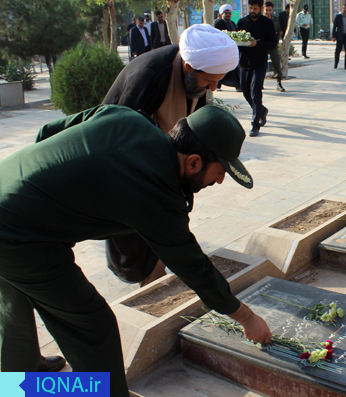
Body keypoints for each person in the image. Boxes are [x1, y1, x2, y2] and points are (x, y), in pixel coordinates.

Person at [0, 104, 272, 396]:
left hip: (6, 190)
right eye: (219, 172)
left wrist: (47, 189)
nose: (218, 181)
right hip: (17, 238)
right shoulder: (154, 189)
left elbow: (48, 132)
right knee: (93, 325)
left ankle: (16, 385)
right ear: (193, 162)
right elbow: (194, 267)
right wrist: (247, 317)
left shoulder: (127, 117)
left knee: (13, 305)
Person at [102, 24, 240, 285]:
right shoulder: (150, 76)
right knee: (138, 237)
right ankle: (148, 283)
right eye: (210, 80)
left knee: (167, 227)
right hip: (128, 167)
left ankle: (156, 276)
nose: (214, 87)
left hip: (163, 163)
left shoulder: (195, 82)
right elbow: (121, 137)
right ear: (189, 67)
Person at [237, 0, 277, 137]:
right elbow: (236, 41)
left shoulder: (267, 23)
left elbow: (273, 43)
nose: (252, 10)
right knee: (246, 92)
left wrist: (257, 45)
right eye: (250, 8)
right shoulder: (242, 23)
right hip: (244, 63)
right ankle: (262, 110)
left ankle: (255, 124)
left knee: (255, 91)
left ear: (261, 8)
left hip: (260, 63)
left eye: (255, 8)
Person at [214, 4, 242, 92]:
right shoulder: (218, 23)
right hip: (222, 50)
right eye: (226, 13)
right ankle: (237, 86)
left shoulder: (232, 23)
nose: (228, 15)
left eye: (229, 13)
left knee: (229, 68)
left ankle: (235, 85)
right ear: (222, 14)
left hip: (231, 49)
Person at [264, 1, 286, 92]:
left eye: (270, 10)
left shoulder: (275, 19)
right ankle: (260, 83)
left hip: (273, 45)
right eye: (266, 10)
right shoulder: (261, 20)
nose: (268, 12)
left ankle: (279, 83)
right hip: (263, 45)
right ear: (263, 10)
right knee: (262, 64)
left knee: (276, 63)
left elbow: (278, 31)